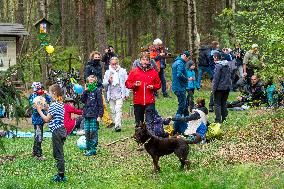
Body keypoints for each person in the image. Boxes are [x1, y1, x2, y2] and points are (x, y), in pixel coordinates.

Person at [35, 84, 67, 182]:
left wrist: (39, 110)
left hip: (57, 132)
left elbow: (46, 119)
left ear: (54, 93)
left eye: (49, 92)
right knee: (57, 152)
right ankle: (60, 173)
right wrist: (47, 109)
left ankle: (61, 176)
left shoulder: (54, 105)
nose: (48, 94)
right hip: (61, 130)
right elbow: (54, 112)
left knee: (58, 154)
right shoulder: (60, 103)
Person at [125, 53, 161, 127]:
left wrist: (153, 87)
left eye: (147, 60)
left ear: (149, 61)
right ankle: (140, 137)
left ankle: (150, 137)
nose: (145, 61)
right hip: (138, 101)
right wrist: (134, 84)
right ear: (140, 61)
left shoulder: (153, 72)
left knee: (149, 122)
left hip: (150, 101)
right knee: (139, 124)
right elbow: (127, 84)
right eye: (143, 59)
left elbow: (159, 84)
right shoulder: (134, 71)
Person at [84, 51, 114, 128]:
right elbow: (86, 78)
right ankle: (96, 121)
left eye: (98, 57)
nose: (97, 59)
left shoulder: (99, 66)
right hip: (91, 89)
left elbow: (100, 78)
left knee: (102, 104)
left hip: (99, 88)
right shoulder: (88, 67)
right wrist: (88, 88)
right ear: (92, 58)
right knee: (92, 105)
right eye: (95, 57)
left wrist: (101, 86)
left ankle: (108, 122)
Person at [103, 57, 129, 132]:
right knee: (112, 109)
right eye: (113, 64)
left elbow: (126, 82)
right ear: (110, 64)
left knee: (118, 108)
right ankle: (115, 122)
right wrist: (108, 81)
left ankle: (118, 125)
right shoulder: (108, 72)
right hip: (111, 93)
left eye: (116, 64)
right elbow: (104, 84)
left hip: (119, 93)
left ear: (118, 63)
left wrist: (126, 93)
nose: (114, 65)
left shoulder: (122, 71)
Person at [81, 75, 104, 156]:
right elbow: (82, 101)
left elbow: (101, 104)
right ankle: (88, 147)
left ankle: (93, 149)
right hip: (86, 115)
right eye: (89, 81)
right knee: (87, 132)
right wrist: (85, 91)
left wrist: (100, 115)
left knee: (93, 132)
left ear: (95, 82)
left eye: (92, 81)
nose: (91, 82)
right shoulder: (86, 91)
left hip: (94, 115)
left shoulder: (97, 91)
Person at [28, 82, 52, 160]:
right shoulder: (33, 97)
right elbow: (34, 108)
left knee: (37, 136)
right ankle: (39, 154)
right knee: (39, 137)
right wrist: (42, 108)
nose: (41, 90)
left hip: (41, 120)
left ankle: (34, 152)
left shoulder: (41, 97)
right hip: (37, 121)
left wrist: (47, 94)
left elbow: (48, 101)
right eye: (40, 88)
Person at [212, 52, 232, 123]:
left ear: (216, 58)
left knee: (217, 104)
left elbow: (216, 79)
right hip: (227, 87)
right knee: (224, 103)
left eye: (213, 57)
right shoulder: (227, 65)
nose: (213, 59)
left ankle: (218, 120)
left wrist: (213, 89)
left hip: (219, 88)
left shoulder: (218, 66)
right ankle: (224, 119)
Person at [172, 51, 191, 118]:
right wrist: (186, 79)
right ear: (184, 56)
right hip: (179, 87)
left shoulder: (177, 62)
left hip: (178, 86)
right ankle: (177, 118)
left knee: (184, 102)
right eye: (188, 58)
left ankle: (187, 117)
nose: (188, 60)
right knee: (182, 104)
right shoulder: (180, 63)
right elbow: (179, 74)